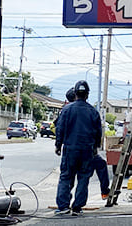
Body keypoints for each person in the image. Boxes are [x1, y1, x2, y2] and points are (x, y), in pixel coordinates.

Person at [54, 80, 102, 216]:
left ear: (75, 94)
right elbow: (98, 132)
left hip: (70, 149)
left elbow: (60, 129)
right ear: (87, 95)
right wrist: (95, 147)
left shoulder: (67, 110)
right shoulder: (93, 112)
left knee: (66, 177)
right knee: (83, 177)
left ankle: (63, 206)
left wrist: (58, 145)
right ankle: (77, 207)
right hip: (87, 150)